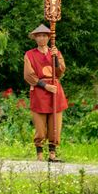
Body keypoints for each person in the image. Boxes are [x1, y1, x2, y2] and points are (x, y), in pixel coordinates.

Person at [24, 24, 68, 162]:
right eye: (39, 36)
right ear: (35, 38)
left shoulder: (56, 52)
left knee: (55, 125)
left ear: (49, 37)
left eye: (44, 35)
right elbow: (28, 75)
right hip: (39, 90)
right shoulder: (30, 54)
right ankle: (39, 154)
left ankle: (53, 154)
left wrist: (54, 58)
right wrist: (45, 86)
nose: (41, 38)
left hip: (55, 89)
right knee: (40, 127)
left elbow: (60, 72)